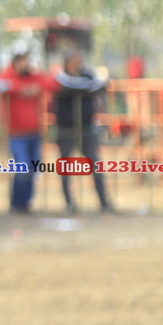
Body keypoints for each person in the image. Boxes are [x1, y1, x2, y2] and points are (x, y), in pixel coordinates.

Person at [0, 50, 59, 213]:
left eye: (27, 61)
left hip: (35, 133)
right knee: (22, 169)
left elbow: (53, 84)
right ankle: (17, 203)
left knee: (33, 170)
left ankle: (26, 203)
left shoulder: (35, 77)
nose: (25, 64)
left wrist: (35, 87)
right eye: (22, 61)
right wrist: (20, 88)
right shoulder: (6, 77)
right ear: (14, 63)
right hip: (16, 134)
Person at [54, 49, 112, 213]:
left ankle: (104, 202)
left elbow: (101, 84)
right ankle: (69, 204)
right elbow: (70, 88)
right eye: (74, 59)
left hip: (87, 128)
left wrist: (88, 88)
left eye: (79, 59)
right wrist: (87, 88)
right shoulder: (60, 76)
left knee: (95, 165)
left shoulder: (88, 74)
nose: (78, 63)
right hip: (66, 129)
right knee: (66, 167)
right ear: (67, 62)